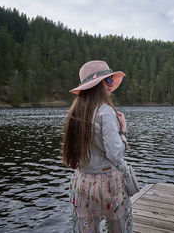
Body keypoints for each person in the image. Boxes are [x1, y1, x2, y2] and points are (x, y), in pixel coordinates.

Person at [61, 60, 132, 233]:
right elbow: (115, 154)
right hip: (108, 185)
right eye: (108, 81)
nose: (111, 85)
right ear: (98, 85)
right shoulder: (105, 111)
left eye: (111, 81)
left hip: (82, 183)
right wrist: (123, 130)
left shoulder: (76, 112)